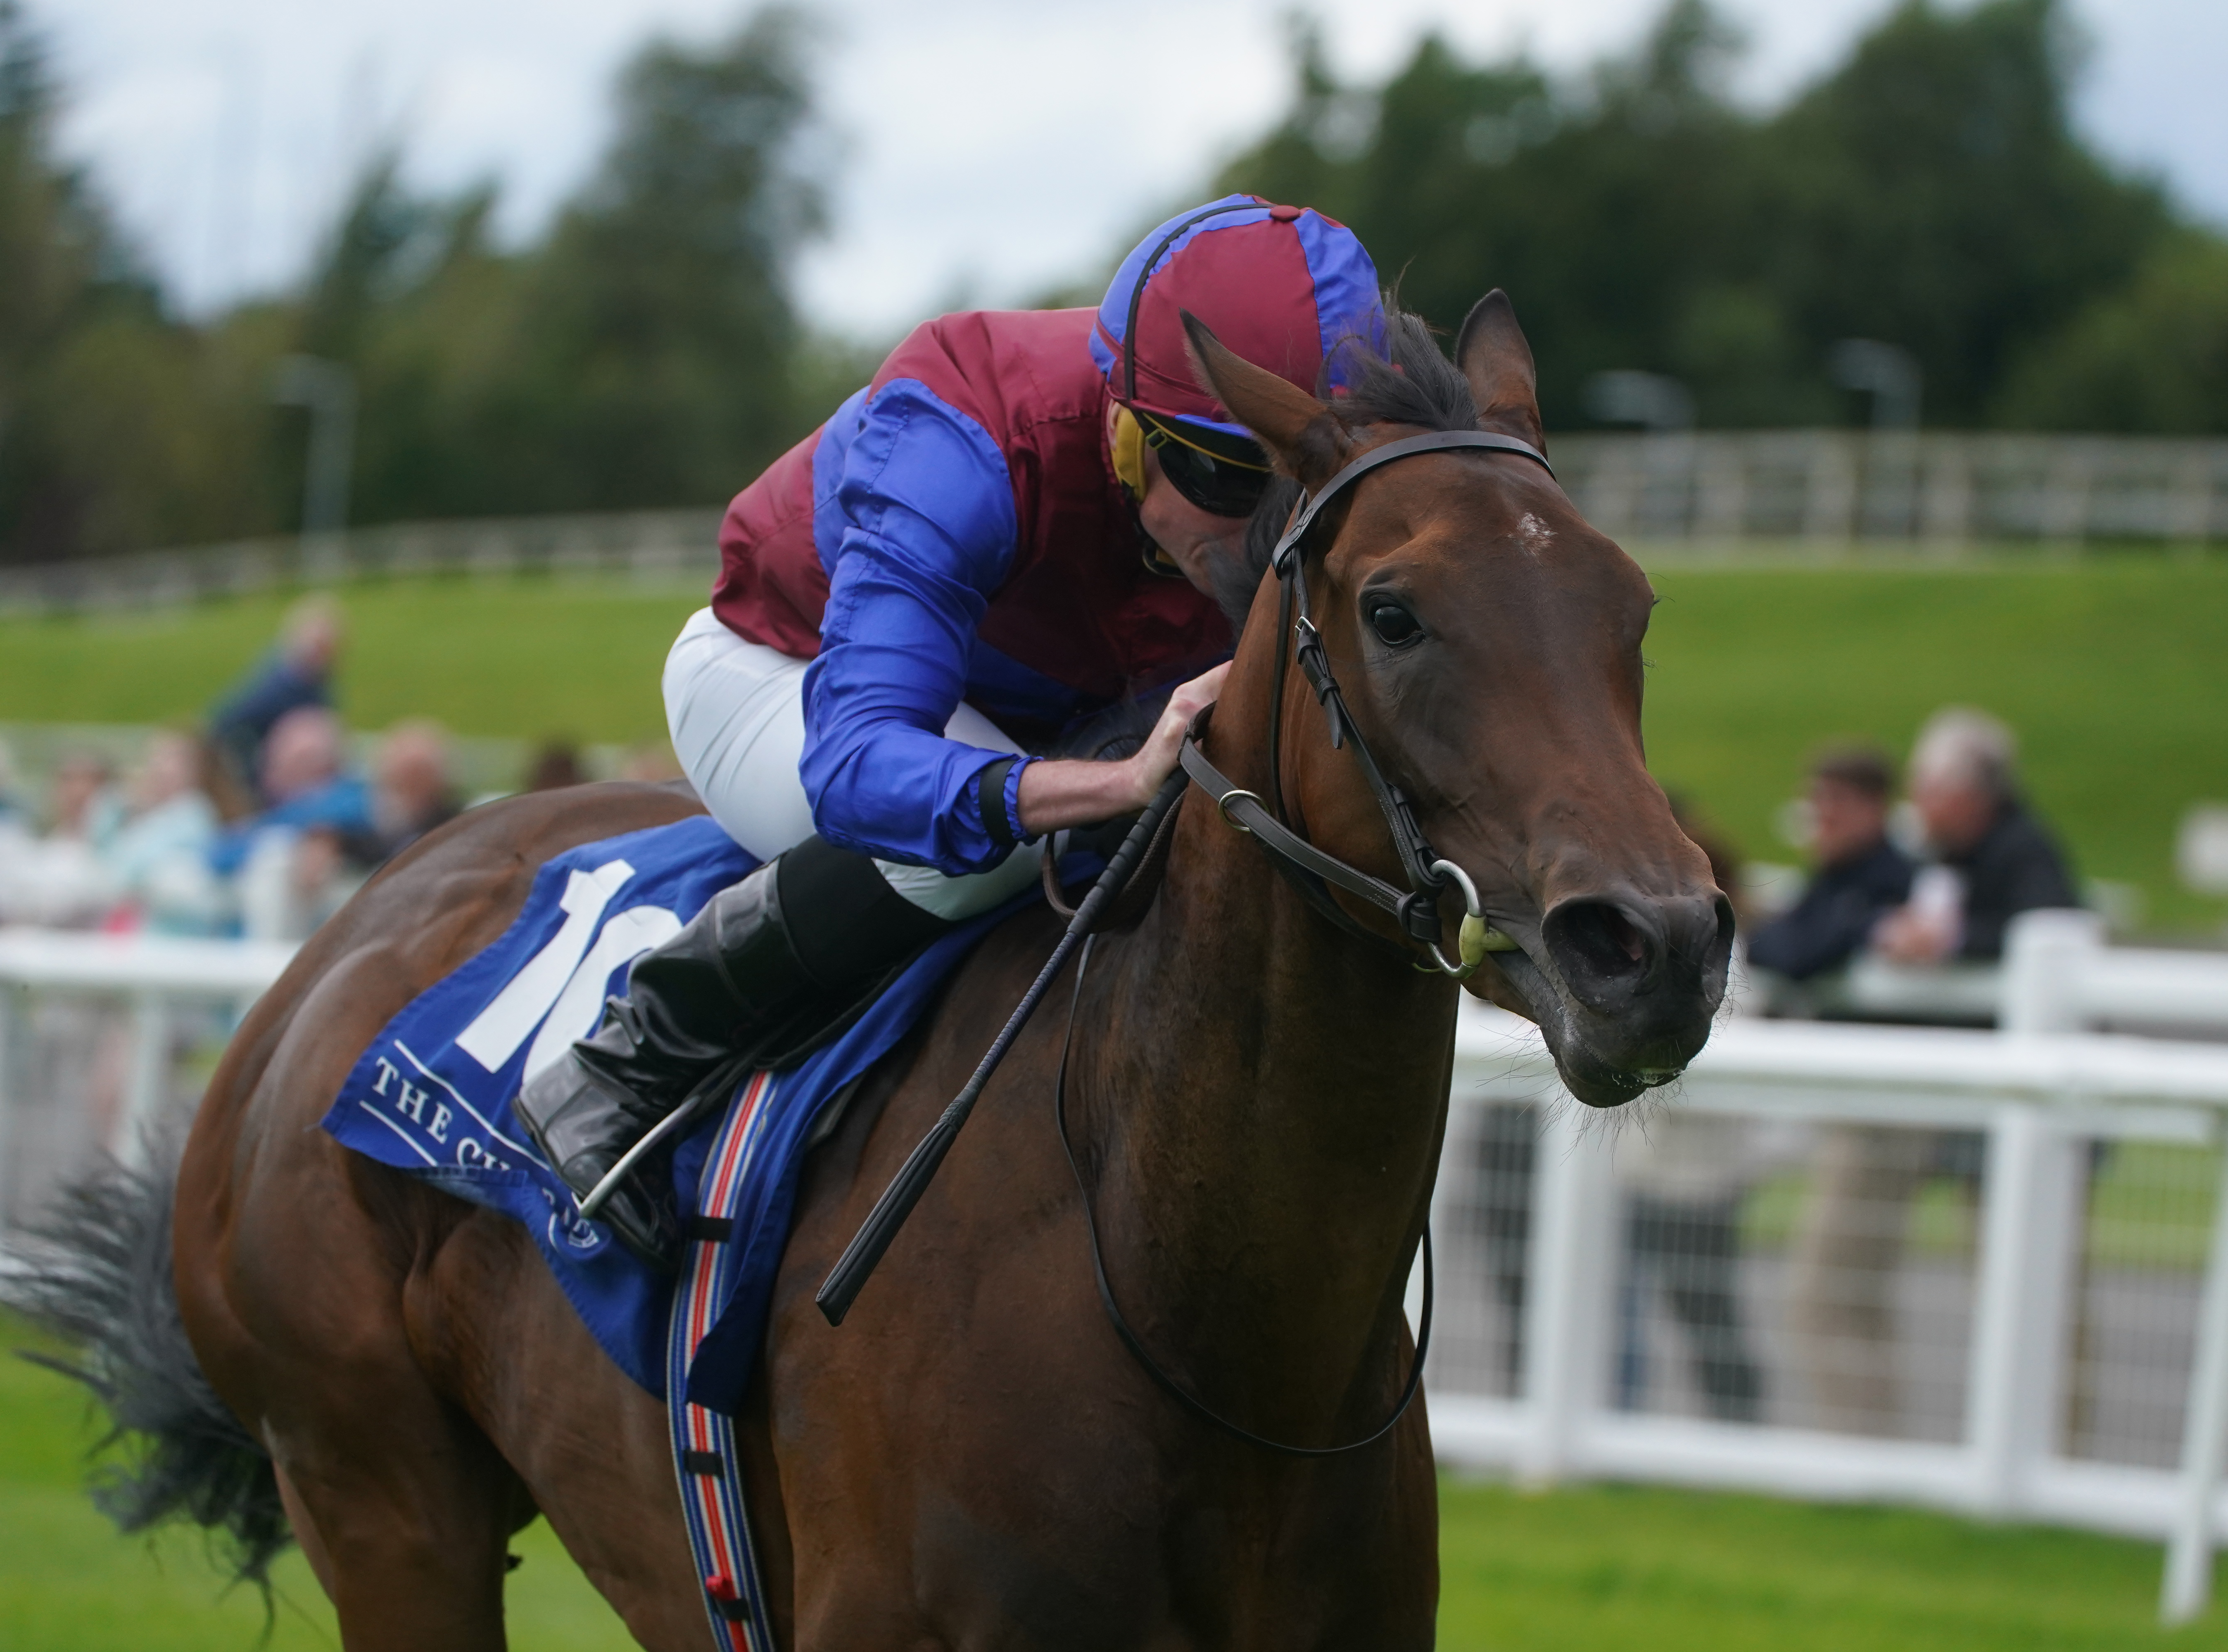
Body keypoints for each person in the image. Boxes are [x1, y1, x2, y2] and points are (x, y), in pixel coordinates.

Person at [518, 195, 1385, 1264]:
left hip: (1042, 710)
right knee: (1009, 843)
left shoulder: (1240, 505)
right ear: (1124, 426)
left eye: (1299, 492)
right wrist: (1101, 790)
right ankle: (634, 1053)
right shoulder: (966, 423)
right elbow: (856, 768)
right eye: (1224, 478)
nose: (1258, 543)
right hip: (779, 671)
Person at [1872, 707, 2079, 965]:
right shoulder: (1929, 844)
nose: (1917, 805)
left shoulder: (2022, 852)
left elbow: (2049, 930)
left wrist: (1949, 939)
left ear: (1972, 797)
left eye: (1931, 793)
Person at [1747, 747, 1916, 983]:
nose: (1823, 815)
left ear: (1876, 807)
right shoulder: (1835, 875)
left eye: (1837, 800)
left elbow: (1800, 957)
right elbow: (1765, 942)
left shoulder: (1892, 881)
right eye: (1816, 800)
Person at [207, 595, 346, 802]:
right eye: (319, 645)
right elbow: (224, 724)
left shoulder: (312, 681)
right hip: (272, 789)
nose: (325, 653)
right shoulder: (278, 688)